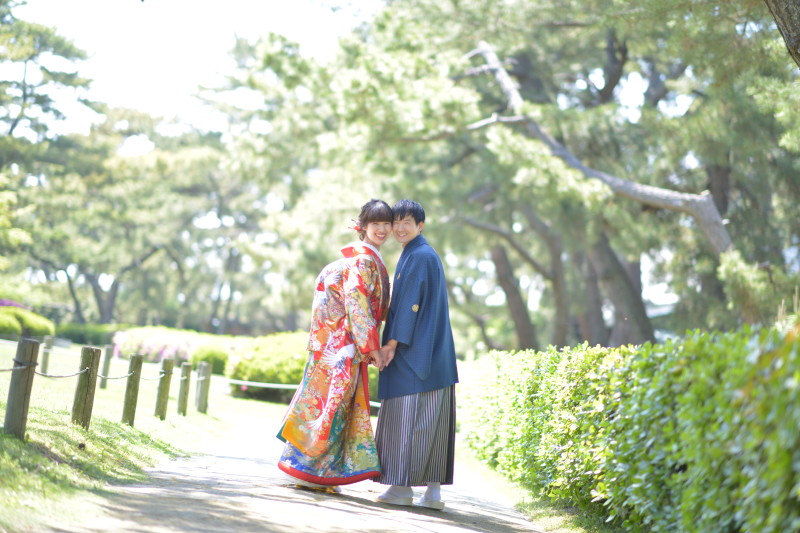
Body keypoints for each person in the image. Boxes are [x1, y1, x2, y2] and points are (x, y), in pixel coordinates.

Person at [277, 199, 393, 491]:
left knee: (323, 405)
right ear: (362, 227)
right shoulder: (365, 260)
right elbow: (357, 303)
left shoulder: (357, 259)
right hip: (345, 347)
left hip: (332, 345)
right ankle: (317, 474)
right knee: (334, 408)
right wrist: (371, 347)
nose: (381, 230)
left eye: (386, 224)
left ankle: (305, 469)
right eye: (375, 224)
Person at [373, 199, 459, 510]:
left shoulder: (419, 256)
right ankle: (432, 493)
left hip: (415, 355)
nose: (399, 227)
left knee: (409, 421)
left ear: (420, 226)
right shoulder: (421, 253)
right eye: (396, 221)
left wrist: (391, 345)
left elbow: (410, 306)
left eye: (407, 222)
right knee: (433, 425)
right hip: (436, 355)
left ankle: (401, 487)